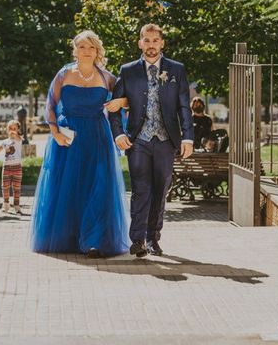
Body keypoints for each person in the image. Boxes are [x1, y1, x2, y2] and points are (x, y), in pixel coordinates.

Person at [30, 30, 130, 258]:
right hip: (68, 137)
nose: (86, 51)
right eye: (82, 47)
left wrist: (120, 101)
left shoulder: (107, 77)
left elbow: (128, 99)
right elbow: (50, 104)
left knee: (98, 186)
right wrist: (54, 132)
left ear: (97, 50)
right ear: (75, 50)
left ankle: (94, 240)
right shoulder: (64, 74)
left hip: (97, 135)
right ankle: (68, 237)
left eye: (91, 47)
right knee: (66, 186)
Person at [109, 24, 195, 257]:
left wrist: (188, 137)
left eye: (155, 40)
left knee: (160, 190)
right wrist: (118, 134)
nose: (151, 45)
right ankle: (137, 240)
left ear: (162, 43)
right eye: (146, 40)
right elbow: (114, 107)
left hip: (167, 141)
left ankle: (153, 238)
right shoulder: (128, 71)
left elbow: (184, 107)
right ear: (140, 43)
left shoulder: (176, 70)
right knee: (141, 189)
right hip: (138, 140)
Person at [0, 120, 24, 214]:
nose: (12, 130)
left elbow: (18, 137)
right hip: (6, 167)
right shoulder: (4, 142)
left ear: (17, 130)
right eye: (10, 128)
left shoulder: (19, 139)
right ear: (7, 130)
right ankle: (6, 204)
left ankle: (17, 206)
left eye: (14, 128)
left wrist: (15, 134)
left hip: (17, 167)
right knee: (5, 187)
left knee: (17, 188)